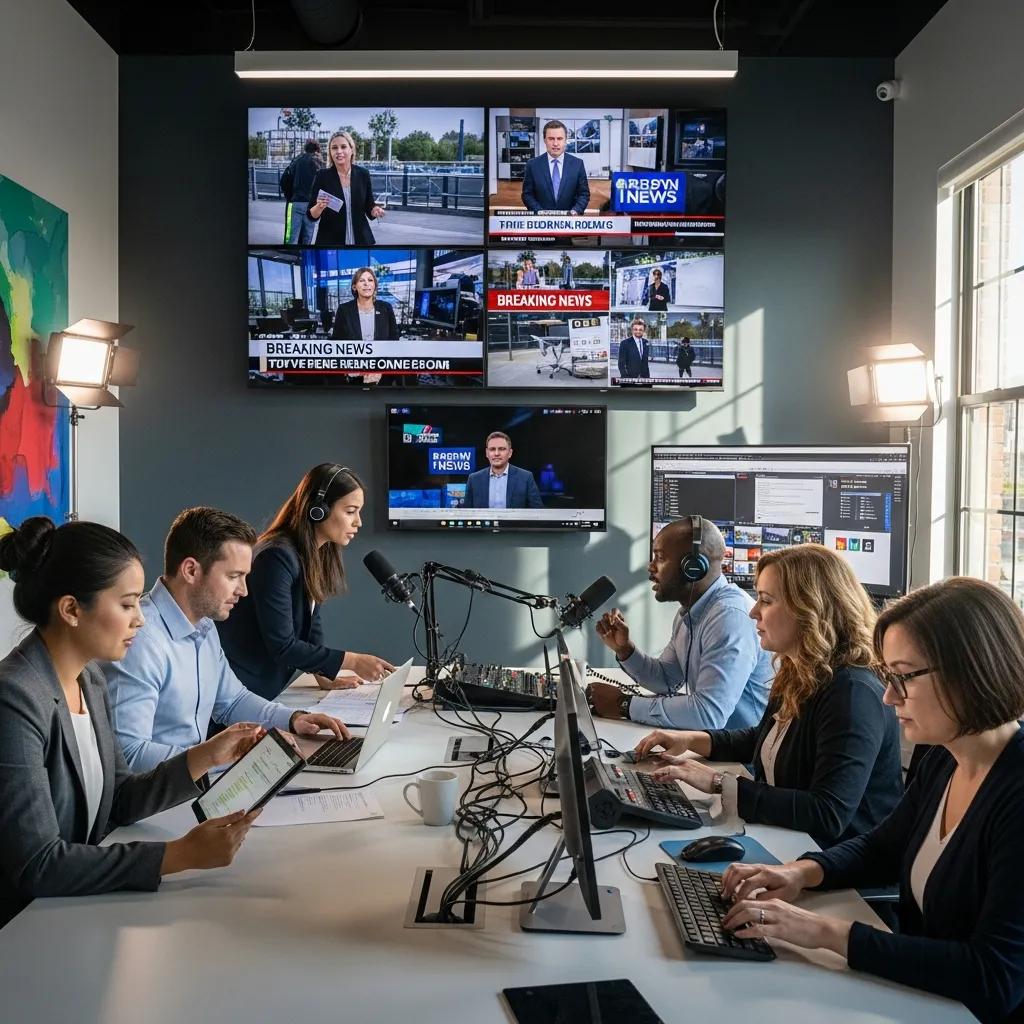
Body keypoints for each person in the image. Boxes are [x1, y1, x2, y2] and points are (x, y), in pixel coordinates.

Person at [718, 577, 1024, 1022]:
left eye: (903, 677)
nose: (887, 696)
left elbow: (994, 978)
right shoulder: (944, 757)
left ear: (970, 671)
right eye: (887, 677)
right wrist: (800, 872)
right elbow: (883, 846)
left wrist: (823, 931)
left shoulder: (1015, 793)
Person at [0, 517, 266, 927]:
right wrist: (180, 855)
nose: (140, 619)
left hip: (74, 909)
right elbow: (38, 864)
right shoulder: (14, 698)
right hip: (24, 928)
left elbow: (119, 800)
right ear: (71, 609)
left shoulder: (89, 679)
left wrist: (205, 756)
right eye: (126, 605)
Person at [636, 544, 902, 847]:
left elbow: (828, 813)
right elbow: (764, 739)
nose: (753, 612)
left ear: (808, 609)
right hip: (786, 841)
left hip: (833, 868)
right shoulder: (798, 668)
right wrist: (693, 740)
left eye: (765, 600)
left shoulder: (853, 693)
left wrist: (719, 783)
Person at [103, 507, 351, 772]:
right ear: (191, 570)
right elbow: (130, 756)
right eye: (234, 576)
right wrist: (224, 757)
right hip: (158, 803)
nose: (243, 591)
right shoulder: (140, 641)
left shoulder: (205, 625)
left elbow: (232, 700)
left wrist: (294, 719)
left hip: (193, 786)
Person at [217, 464, 395, 701]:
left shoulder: (312, 554)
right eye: (350, 511)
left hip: (261, 691)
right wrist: (352, 661)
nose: (358, 522)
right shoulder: (276, 557)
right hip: (239, 695)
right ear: (318, 510)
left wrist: (324, 674)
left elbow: (311, 625)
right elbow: (282, 645)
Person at [588, 516, 772, 730]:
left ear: (693, 567)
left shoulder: (729, 617)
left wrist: (624, 705)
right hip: (711, 749)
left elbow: (708, 714)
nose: (651, 567)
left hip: (739, 760)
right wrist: (625, 650)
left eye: (660, 557)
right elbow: (666, 679)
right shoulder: (690, 613)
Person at [307, 130, 385, 246]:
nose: (339, 151)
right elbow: (311, 215)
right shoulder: (322, 176)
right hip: (330, 241)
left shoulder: (363, 174)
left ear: (351, 150)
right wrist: (319, 207)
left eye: (343, 147)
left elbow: (369, 206)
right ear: (330, 152)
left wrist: (374, 210)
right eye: (334, 148)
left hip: (361, 240)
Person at [521, 120, 590, 215]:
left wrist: (576, 211)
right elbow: (527, 195)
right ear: (545, 140)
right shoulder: (533, 165)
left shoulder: (577, 164)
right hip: (541, 223)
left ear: (565, 140)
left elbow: (584, 194)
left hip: (569, 223)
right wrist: (539, 212)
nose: (555, 143)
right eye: (551, 139)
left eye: (560, 138)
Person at [464, 431, 543, 509]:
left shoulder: (526, 477)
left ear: (510, 453)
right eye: (492, 449)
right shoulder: (474, 479)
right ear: (487, 453)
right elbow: (466, 514)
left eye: (501, 449)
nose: (496, 453)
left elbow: (538, 513)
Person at [331, 267, 399, 341]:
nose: (366, 283)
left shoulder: (386, 308)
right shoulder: (344, 310)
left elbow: (394, 340)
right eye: (361, 280)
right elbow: (337, 342)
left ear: (375, 286)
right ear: (354, 287)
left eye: (370, 280)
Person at [279, 139, 322, 245]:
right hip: (312, 205)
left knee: (291, 235)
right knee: (307, 236)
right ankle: (302, 256)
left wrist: (290, 196)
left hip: (295, 202)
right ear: (317, 150)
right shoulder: (320, 163)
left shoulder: (296, 160)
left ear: (305, 149)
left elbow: (284, 180)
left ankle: (289, 256)